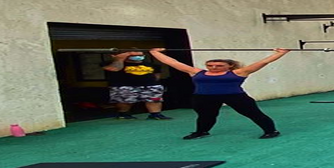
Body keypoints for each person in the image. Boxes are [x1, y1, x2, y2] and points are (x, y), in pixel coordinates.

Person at [148, 48, 290, 140]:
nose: (214, 67)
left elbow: (264, 62)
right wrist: (155, 53)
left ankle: (271, 131)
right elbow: (173, 62)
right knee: (205, 116)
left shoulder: (240, 72)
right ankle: (201, 132)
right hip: (203, 97)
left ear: (229, 66)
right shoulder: (196, 72)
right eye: (210, 65)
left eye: (219, 65)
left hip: (235, 96)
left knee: (254, 114)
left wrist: (281, 53)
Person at [102, 50, 171, 120]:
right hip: (125, 86)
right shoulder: (111, 63)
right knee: (125, 101)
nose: (138, 57)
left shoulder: (152, 64)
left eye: (140, 55)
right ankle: (123, 114)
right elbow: (114, 69)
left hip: (150, 85)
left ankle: (155, 114)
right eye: (133, 55)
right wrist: (119, 59)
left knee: (154, 100)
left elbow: (157, 76)